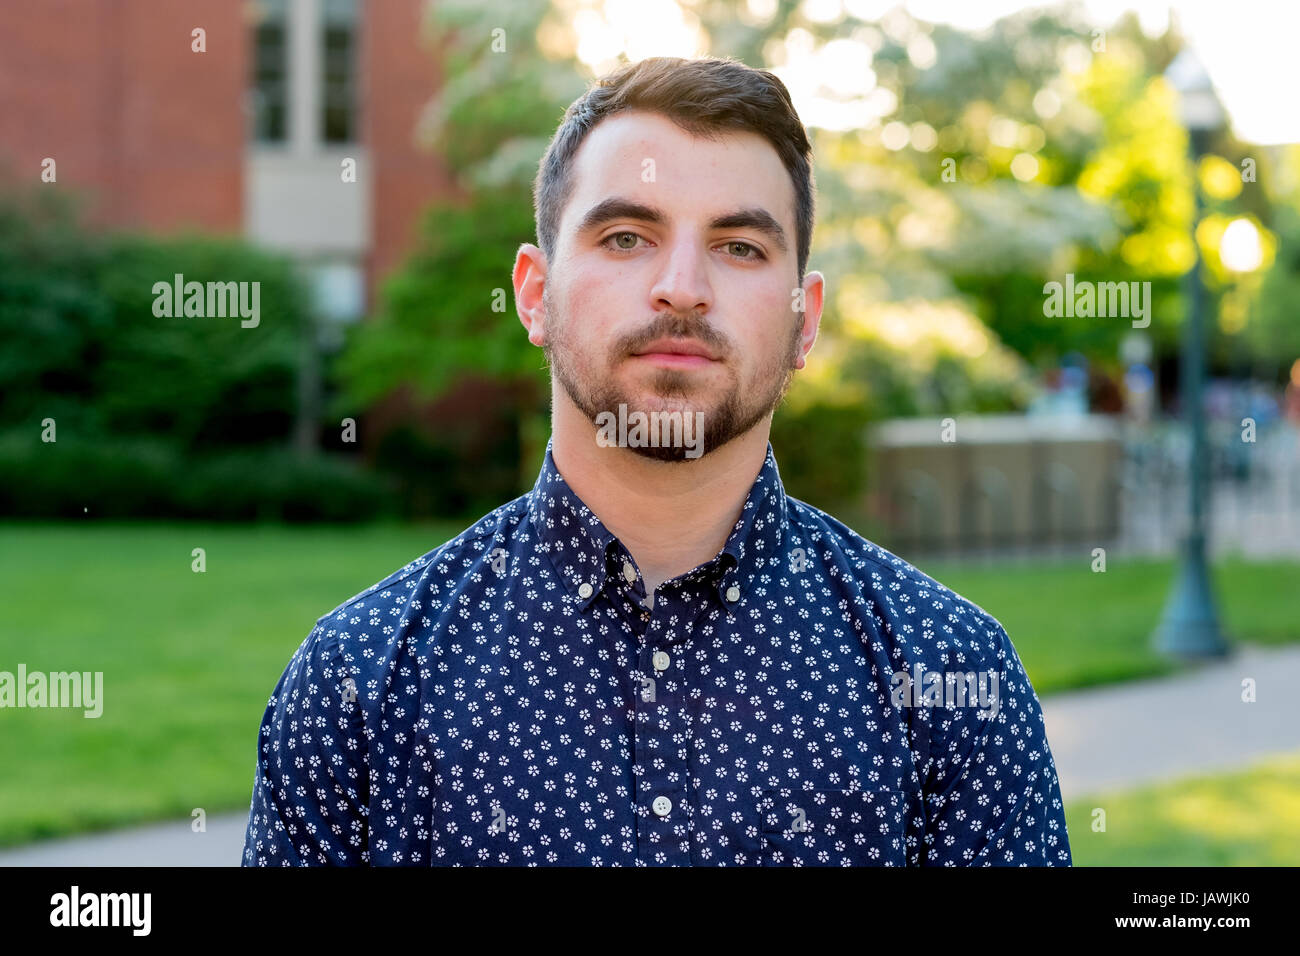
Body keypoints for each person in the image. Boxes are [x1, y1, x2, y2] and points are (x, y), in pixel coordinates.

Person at [241, 55, 1071, 867]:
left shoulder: (951, 673)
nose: (681, 286)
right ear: (535, 293)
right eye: (627, 236)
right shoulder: (360, 684)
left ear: (804, 321)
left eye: (740, 247)